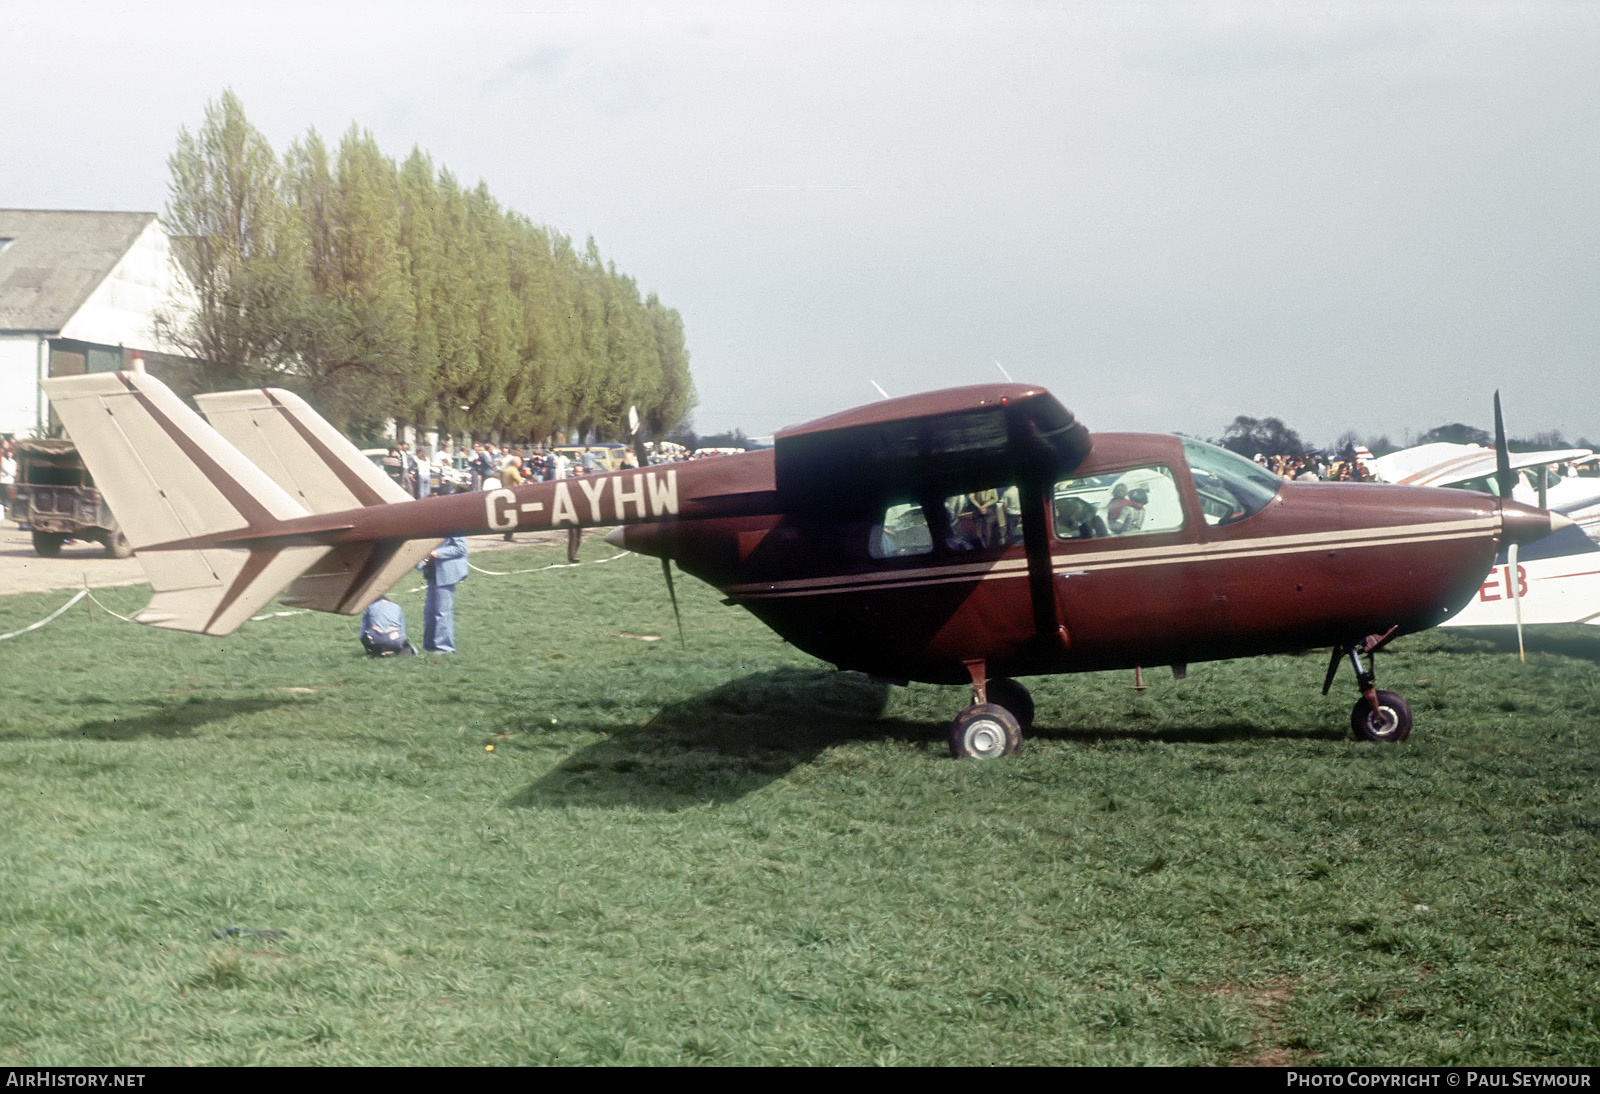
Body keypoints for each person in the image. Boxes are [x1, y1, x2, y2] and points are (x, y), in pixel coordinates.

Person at [419, 537, 469, 653]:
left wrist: (435, 553)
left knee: (442, 612)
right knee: (429, 612)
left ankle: (444, 648)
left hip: (447, 573)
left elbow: (460, 548)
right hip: (432, 572)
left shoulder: (454, 521)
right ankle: (429, 646)